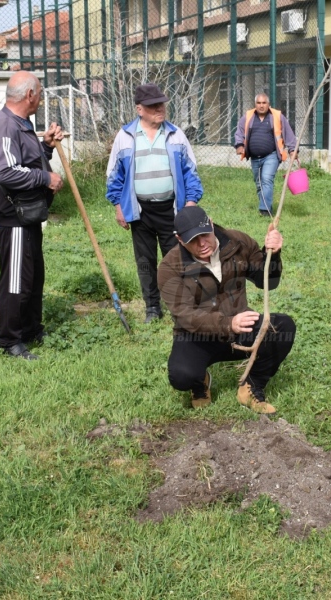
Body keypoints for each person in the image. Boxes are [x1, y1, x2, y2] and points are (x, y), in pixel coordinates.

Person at [157, 205, 296, 414]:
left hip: (238, 328)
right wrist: (227, 323)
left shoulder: (237, 243)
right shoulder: (170, 268)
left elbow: (267, 282)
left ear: (211, 224)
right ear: (179, 240)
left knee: (283, 328)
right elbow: (186, 316)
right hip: (198, 335)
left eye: (205, 235)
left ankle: (251, 386)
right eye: (192, 240)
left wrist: (273, 256)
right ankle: (199, 383)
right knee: (181, 376)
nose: (202, 244)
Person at [106, 83, 204, 324]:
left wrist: (191, 202)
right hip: (140, 211)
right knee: (145, 261)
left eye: (161, 104)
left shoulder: (176, 135)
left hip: (172, 210)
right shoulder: (125, 137)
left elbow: (191, 171)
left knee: (176, 259)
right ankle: (152, 307)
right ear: (140, 109)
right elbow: (114, 176)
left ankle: (178, 305)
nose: (160, 108)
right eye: (153, 106)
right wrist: (118, 206)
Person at [0, 71, 64, 360]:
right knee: (16, 279)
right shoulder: (5, 125)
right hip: (12, 217)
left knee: (33, 275)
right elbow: (5, 171)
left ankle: (31, 328)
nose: (41, 99)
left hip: (28, 214)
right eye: (40, 93)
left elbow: (26, 161)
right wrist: (46, 178)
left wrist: (46, 146)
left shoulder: (22, 124)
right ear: (29, 95)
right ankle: (10, 340)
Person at [234, 93, 297, 216]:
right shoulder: (248, 117)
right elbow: (239, 132)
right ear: (255, 104)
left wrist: (292, 150)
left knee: (266, 179)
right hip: (254, 157)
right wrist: (239, 146)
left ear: (268, 104)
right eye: (259, 103)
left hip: (271, 155)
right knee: (259, 183)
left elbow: (288, 133)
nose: (261, 106)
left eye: (264, 103)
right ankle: (266, 205)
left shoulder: (277, 117)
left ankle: (265, 210)